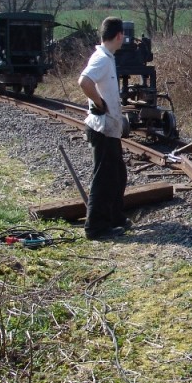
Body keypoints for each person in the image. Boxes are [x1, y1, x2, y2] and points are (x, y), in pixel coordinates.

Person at [78, 17, 130, 240]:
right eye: (123, 37)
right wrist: (100, 103)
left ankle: (115, 218)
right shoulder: (101, 58)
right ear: (119, 36)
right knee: (104, 179)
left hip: (109, 129)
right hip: (102, 128)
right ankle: (96, 228)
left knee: (118, 175)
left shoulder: (107, 57)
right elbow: (84, 81)